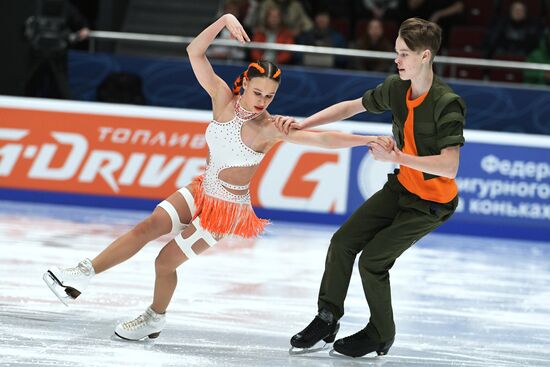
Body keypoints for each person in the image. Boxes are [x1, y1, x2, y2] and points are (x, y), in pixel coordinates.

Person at [42, 13, 394, 341]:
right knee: (147, 227)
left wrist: (366, 139)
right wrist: (224, 20)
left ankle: (154, 318)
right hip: (202, 188)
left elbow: (324, 140)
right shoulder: (222, 98)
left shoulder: (271, 128)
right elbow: (195, 51)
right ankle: (82, 274)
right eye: (258, 92)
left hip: (225, 209)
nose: (262, 101)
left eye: (270, 95)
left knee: (164, 261)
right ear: (244, 86)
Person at [276, 17, 466, 357]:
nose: (397, 60)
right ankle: (327, 317)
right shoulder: (396, 87)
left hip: (432, 203)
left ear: (425, 56)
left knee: (373, 261)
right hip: (401, 188)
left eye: (404, 54)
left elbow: (449, 167)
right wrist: (304, 123)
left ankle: (381, 333)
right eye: (396, 52)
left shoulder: (446, 102)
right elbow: (352, 106)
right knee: (343, 241)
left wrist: (398, 157)